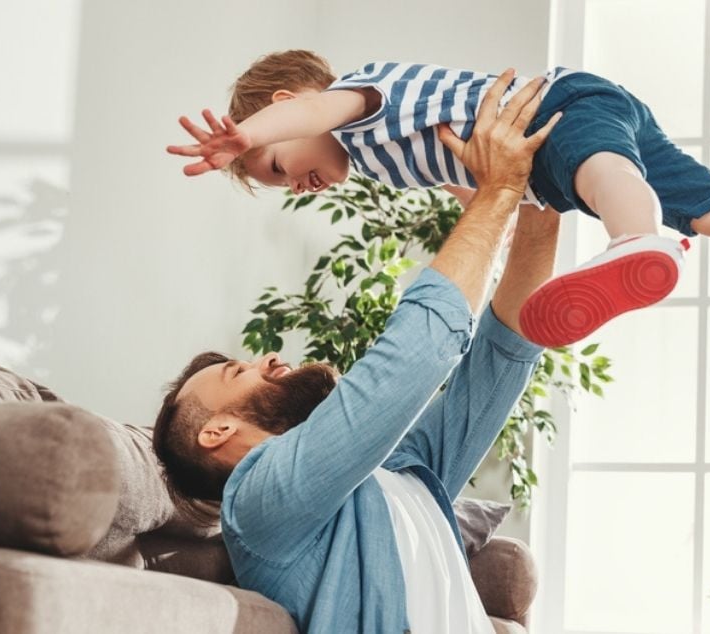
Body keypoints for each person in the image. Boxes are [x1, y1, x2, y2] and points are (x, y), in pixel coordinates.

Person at [167, 51, 710, 366]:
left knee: (602, 171)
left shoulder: (358, 99)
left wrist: (242, 138)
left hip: (557, 106)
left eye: (274, 167)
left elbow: (313, 111)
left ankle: (636, 240)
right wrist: (490, 222)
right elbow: (474, 187)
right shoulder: (379, 160)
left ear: (288, 105)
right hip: (548, 162)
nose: (292, 181)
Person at [153, 72, 558, 634]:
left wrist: (542, 193)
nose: (269, 357)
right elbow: (417, 352)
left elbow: (503, 355)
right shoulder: (257, 503)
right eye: (238, 371)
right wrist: (496, 193)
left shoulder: (395, 470)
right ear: (216, 431)